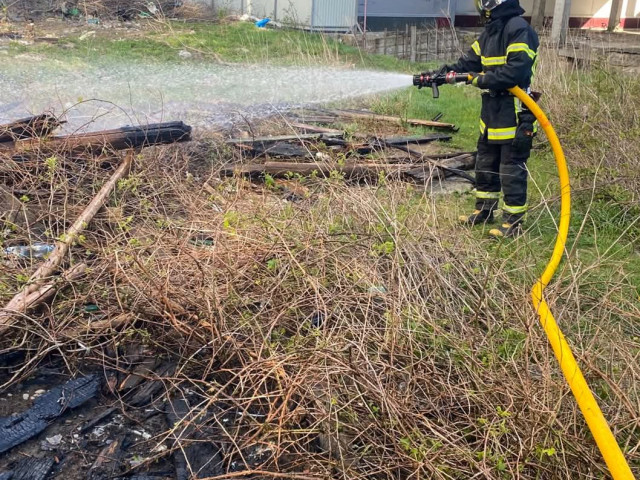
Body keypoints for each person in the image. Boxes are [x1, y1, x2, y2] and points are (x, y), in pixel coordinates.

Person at [440, 0, 540, 238]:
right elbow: (468, 64)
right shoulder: (489, 33)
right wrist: (442, 74)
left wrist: (479, 79)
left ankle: (514, 222)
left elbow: (515, 72)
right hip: (492, 112)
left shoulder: (518, 29)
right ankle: (484, 210)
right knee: (485, 163)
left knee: (510, 169)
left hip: (514, 111)